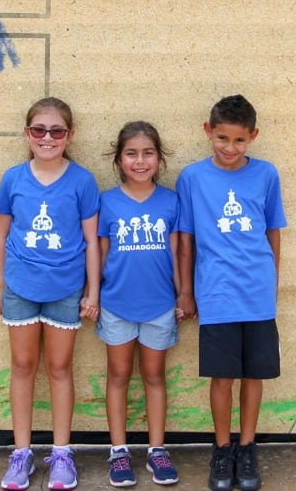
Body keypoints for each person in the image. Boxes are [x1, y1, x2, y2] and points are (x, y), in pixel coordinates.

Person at [175, 95, 286, 491]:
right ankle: (222, 449)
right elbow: (185, 238)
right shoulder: (192, 178)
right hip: (216, 292)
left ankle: (247, 446)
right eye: (222, 138)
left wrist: (271, 280)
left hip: (257, 292)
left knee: (253, 375)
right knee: (223, 376)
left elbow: (273, 232)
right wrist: (186, 291)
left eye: (239, 140)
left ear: (253, 136)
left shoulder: (267, 175)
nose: (229, 148)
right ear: (208, 132)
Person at [0, 97, 101, 491]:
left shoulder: (82, 181)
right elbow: (2, 235)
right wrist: (1, 286)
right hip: (21, 287)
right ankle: (21, 454)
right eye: (39, 130)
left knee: (59, 368)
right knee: (23, 366)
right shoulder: (13, 179)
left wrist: (93, 291)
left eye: (57, 130)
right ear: (27, 134)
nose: (48, 137)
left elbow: (92, 241)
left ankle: (61, 454)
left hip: (65, 289)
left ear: (69, 135)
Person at [95, 121, 194, 487]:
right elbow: (100, 253)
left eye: (148, 153)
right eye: (131, 153)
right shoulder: (106, 201)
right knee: (118, 376)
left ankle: (156, 449)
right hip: (117, 304)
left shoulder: (170, 201)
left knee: (154, 376)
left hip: (159, 306)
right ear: (119, 159)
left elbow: (177, 250)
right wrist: (94, 294)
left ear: (159, 158)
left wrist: (183, 293)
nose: (140, 161)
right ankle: (118, 451)